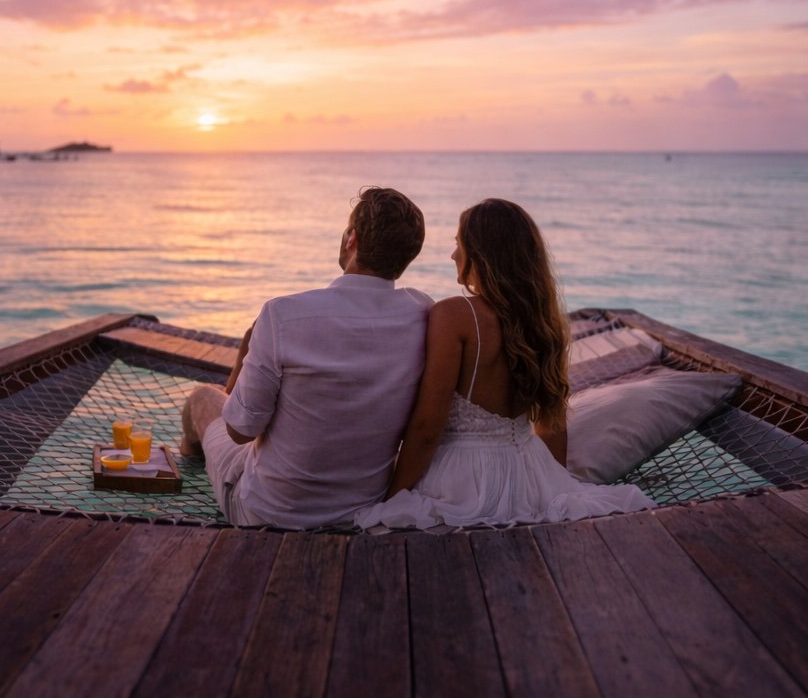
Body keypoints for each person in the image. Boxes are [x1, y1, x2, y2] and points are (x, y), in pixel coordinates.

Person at [355, 197, 654, 531]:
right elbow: (552, 425)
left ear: (481, 254)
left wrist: (392, 498)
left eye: (458, 244)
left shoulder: (455, 315)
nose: (453, 255)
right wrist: (554, 487)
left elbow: (427, 427)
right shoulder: (542, 322)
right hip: (529, 470)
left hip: (464, 479)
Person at [180, 186, 431, 528]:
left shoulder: (283, 315)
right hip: (361, 511)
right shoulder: (423, 315)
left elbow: (240, 431)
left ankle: (188, 461)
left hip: (269, 514)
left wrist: (244, 356)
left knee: (202, 398)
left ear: (352, 239)